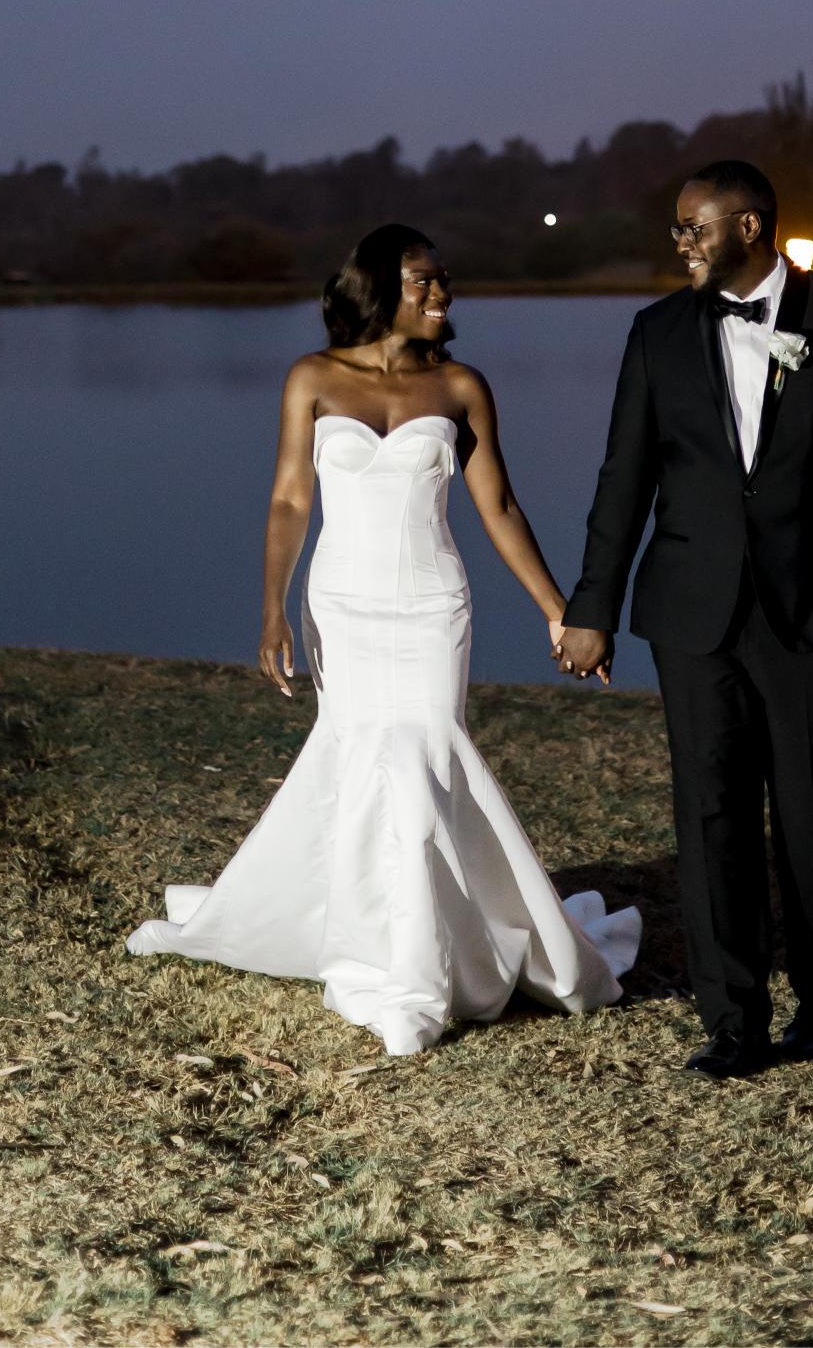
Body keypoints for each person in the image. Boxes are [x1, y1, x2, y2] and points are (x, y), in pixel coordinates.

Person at [128, 224, 639, 1054]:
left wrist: (557, 608)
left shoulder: (462, 386)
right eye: (422, 279)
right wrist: (272, 608)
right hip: (343, 603)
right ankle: (378, 938)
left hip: (432, 602)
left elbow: (498, 505)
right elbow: (289, 498)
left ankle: (419, 961)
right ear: (375, 287)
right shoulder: (312, 377)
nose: (441, 293)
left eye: (444, 279)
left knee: (426, 749)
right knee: (361, 752)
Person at [555, 160, 813, 1081]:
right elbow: (623, 478)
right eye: (677, 228)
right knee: (710, 809)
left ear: (748, 226)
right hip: (691, 613)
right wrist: (591, 605)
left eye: (694, 226)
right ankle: (731, 1021)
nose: (680, 242)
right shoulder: (657, 332)